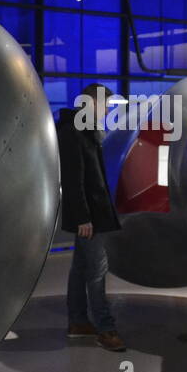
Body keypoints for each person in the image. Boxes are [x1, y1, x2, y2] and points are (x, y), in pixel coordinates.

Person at [56, 83, 126, 352]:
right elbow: (73, 180)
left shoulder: (86, 130)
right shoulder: (73, 131)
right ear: (90, 103)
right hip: (89, 216)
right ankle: (106, 329)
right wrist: (84, 217)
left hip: (92, 213)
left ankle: (78, 322)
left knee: (81, 269)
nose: (107, 110)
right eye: (104, 105)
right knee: (97, 270)